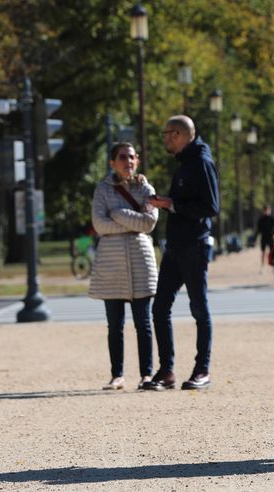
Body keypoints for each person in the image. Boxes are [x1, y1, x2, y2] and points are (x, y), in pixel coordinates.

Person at [145, 115, 220, 391]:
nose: (164, 138)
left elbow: (211, 207)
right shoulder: (185, 163)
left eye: (166, 134)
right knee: (160, 307)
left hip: (194, 246)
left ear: (177, 134)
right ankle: (166, 371)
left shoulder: (201, 162)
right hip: (175, 247)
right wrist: (168, 204)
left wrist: (171, 204)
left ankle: (202, 370)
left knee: (199, 308)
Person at [89, 143, 159, 390]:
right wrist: (131, 221)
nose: (127, 161)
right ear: (112, 162)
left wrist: (117, 214)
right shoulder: (102, 190)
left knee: (144, 324)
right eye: (122, 157)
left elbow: (150, 222)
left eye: (131, 157)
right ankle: (117, 374)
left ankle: (146, 374)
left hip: (141, 262)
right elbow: (99, 224)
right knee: (114, 325)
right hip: (112, 264)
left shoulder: (146, 188)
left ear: (137, 161)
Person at [257, 206, 274, 270]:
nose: (266, 212)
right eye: (265, 210)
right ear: (263, 211)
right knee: (263, 252)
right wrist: (255, 238)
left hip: (270, 237)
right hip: (264, 237)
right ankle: (262, 266)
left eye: (267, 210)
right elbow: (258, 230)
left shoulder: (272, 219)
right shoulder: (261, 219)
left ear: (270, 210)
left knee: (272, 251)